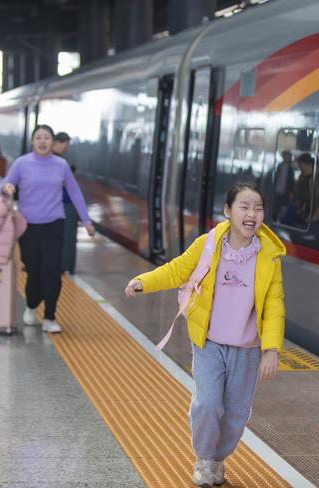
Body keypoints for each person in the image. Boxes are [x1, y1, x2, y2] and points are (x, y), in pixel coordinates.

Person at [125, 183, 285, 488]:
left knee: (236, 414)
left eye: (258, 208)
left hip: (246, 349)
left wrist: (272, 350)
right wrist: (143, 282)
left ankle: (217, 459)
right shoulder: (208, 245)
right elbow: (176, 271)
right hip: (209, 343)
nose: (252, 214)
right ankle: (204, 458)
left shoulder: (269, 256)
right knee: (208, 404)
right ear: (228, 211)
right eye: (244, 207)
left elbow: (274, 305)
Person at [1, 125, 95, 333]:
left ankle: (50, 316)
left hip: (54, 225)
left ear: (52, 142)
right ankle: (32, 305)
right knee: (34, 273)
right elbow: (6, 182)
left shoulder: (61, 165)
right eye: (38, 138)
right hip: (27, 228)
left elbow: (75, 193)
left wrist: (86, 221)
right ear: (32, 141)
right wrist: (7, 187)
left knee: (52, 271)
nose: (42, 141)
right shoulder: (21, 163)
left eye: (46, 138)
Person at [53, 132, 80, 275]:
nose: (66, 148)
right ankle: (64, 265)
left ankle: (64, 265)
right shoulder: (58, 161)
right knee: (66, 236)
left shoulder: (59, 160)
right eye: (66, 145)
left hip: (64, 202)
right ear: (59, 142)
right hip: (64, 203)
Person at [272, 150, 294, 221]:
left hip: (285, 191)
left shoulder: (291, 168)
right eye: (285, 156)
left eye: (288, 156)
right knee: (275, 207)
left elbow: (291, 181)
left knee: (283, 208)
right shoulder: (279, 166)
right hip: (277, 190)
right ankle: (274, 219)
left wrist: (291, 191)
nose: (286, 157)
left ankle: (279, 220)